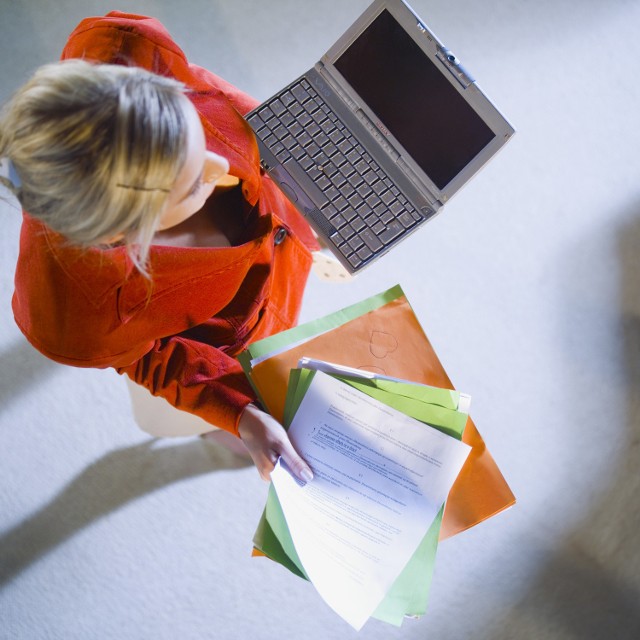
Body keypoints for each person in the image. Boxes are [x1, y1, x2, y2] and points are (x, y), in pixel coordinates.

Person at [0, 12, 319, 483]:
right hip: (219, 342)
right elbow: (151, 358)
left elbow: (218, 100)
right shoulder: (82, 318)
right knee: (193, 413)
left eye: (194, 134)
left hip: (274, 264)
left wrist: (308, 178)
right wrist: (238, 414)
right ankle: (212, 432)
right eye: (193, 187)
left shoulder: (128, 51)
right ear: (121, 236)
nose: (221, 169)